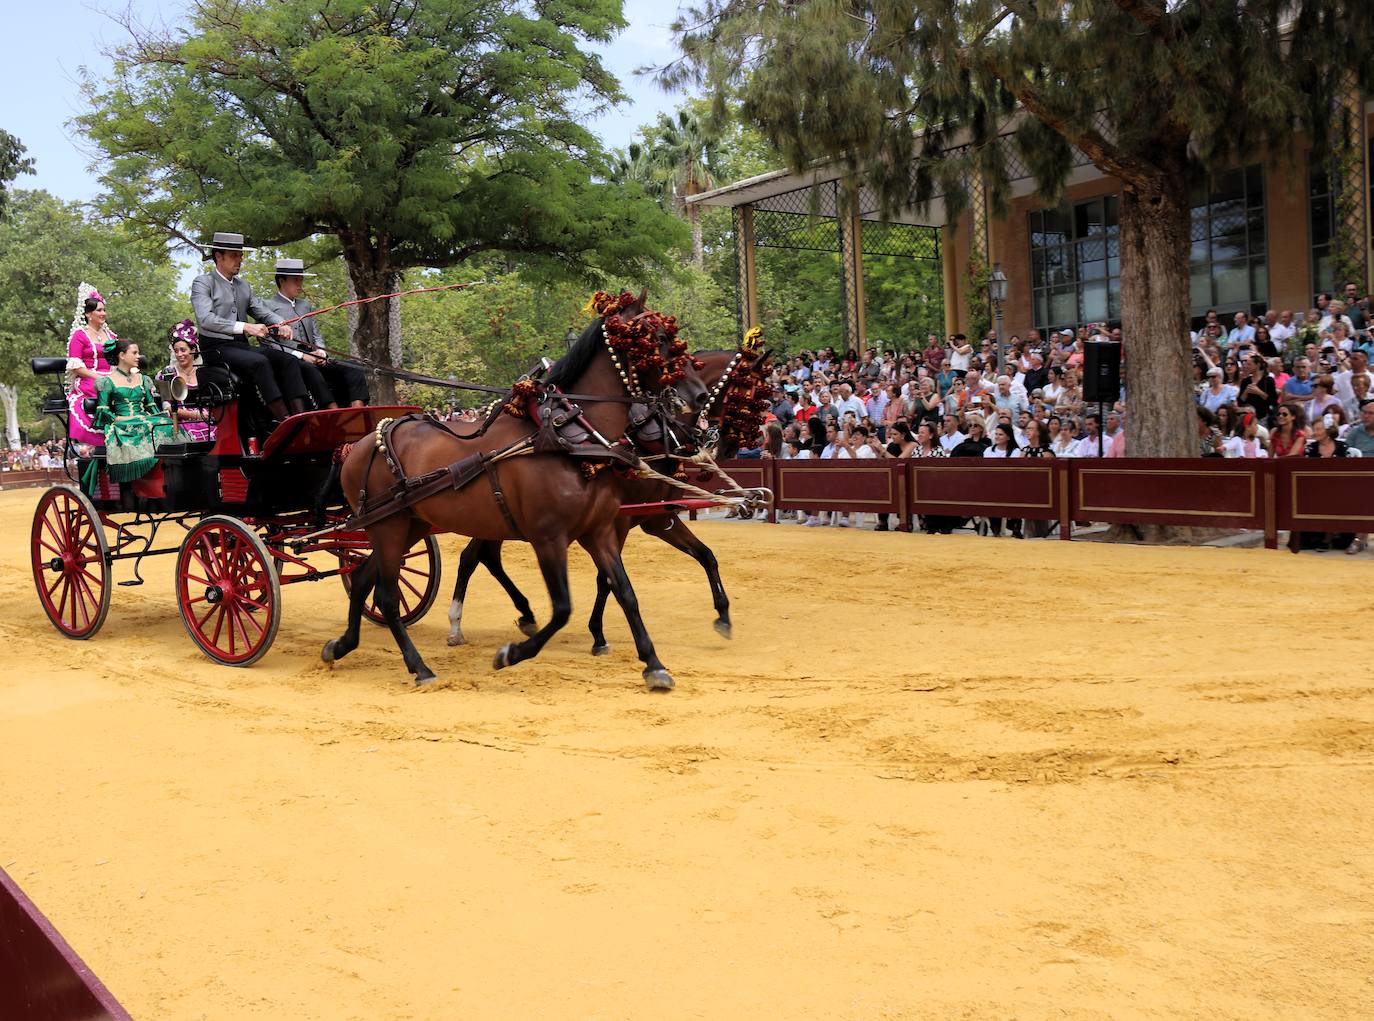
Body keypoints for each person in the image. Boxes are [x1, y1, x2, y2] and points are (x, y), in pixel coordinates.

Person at [190, 231, 306, 423]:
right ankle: (284, 421)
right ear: (219, 256)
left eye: (241, 255)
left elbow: (261, 311)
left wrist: (280, 322)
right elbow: (206, 320)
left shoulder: (244, 286)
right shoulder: (203, 283)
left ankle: (301, 418)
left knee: (288, 360)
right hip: (216, 348)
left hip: (241, 347)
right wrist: (245, 327)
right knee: (259, 362)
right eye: (234, 255)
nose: (239, 260)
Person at [87, 337, 180, 493]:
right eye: (134, 353)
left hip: (143, 419)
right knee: (145, 425)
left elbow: (151, 407)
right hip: (122, 424)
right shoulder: (107, 382)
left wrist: (163, 417)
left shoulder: (144, 379)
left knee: (165, 425)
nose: (138, 356)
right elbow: (103, 411)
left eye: (138, 353)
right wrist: (124, 419)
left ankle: (171, 473)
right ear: (122, 355)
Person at [65, 289, 112, 449]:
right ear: (88, 314)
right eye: (99, 310)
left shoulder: (111, 335)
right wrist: (98, 376)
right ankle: (99, 434)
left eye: (104, 310)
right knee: (101, 387)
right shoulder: (79, 335)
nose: (103, 313)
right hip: (89, 378)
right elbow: (76, 366)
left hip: (111, 376)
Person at [164, 320, 219, 442]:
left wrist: (206, 415)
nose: (179, 354)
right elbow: (166, 407)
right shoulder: (167, 374)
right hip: (180, 422)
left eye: (183, 350)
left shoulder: (205, 372)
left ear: (193, 350)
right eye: (176, 351)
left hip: (208, 419)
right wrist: (194, 415)